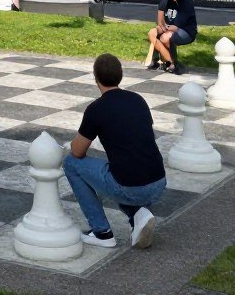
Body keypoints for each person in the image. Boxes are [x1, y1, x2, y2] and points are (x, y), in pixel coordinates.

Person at [63, 52, 166, 249]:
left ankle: (102, 232)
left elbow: (77, 152)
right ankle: (137, 216)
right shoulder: (138, 100)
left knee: (71, 164)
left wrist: (72, 144)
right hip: (159, 181)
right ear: (120, 75)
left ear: (96, 79)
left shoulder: (96, 109)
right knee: (121, 169)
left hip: (131, 186)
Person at [144, 0, 197, 73]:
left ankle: (168, 62)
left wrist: (164, 28)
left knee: (164, 38)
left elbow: (177, 25)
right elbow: (160, 18)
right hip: (169, 27)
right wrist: (161, 27)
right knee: (152, 33)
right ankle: (171, 63)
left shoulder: (186, 1)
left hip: (185, 30)